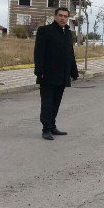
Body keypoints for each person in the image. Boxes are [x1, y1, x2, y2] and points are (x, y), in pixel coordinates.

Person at [34, 7, 79, 140]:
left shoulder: (68, 33)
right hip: (47, 74)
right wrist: (39, 70)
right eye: (60, 15)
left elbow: (70, 54)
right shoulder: (45, 31)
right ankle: (46, 129)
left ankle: (52, 126)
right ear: (55, 16)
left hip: (62, 74)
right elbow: (39, 52)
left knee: (56, 102)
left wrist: (74, 71)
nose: (62, 18)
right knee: (47, 103)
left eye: (65, 16)